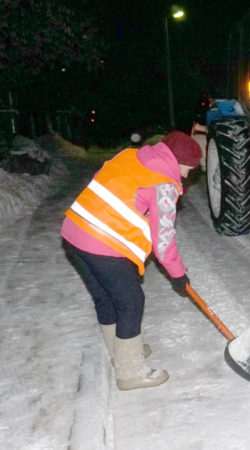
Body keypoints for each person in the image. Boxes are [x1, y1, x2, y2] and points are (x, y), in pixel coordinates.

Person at [61, 131, 201, 390]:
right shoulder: (163, 184)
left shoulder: (130, 157)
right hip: (101, 244)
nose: (185, 176)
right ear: (177, 161)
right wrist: (178, 275)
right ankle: (130, 373)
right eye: (187, 169)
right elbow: (163, 241)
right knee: (131, 302)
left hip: (73, 231)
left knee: (105, 297)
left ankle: (122, 352)